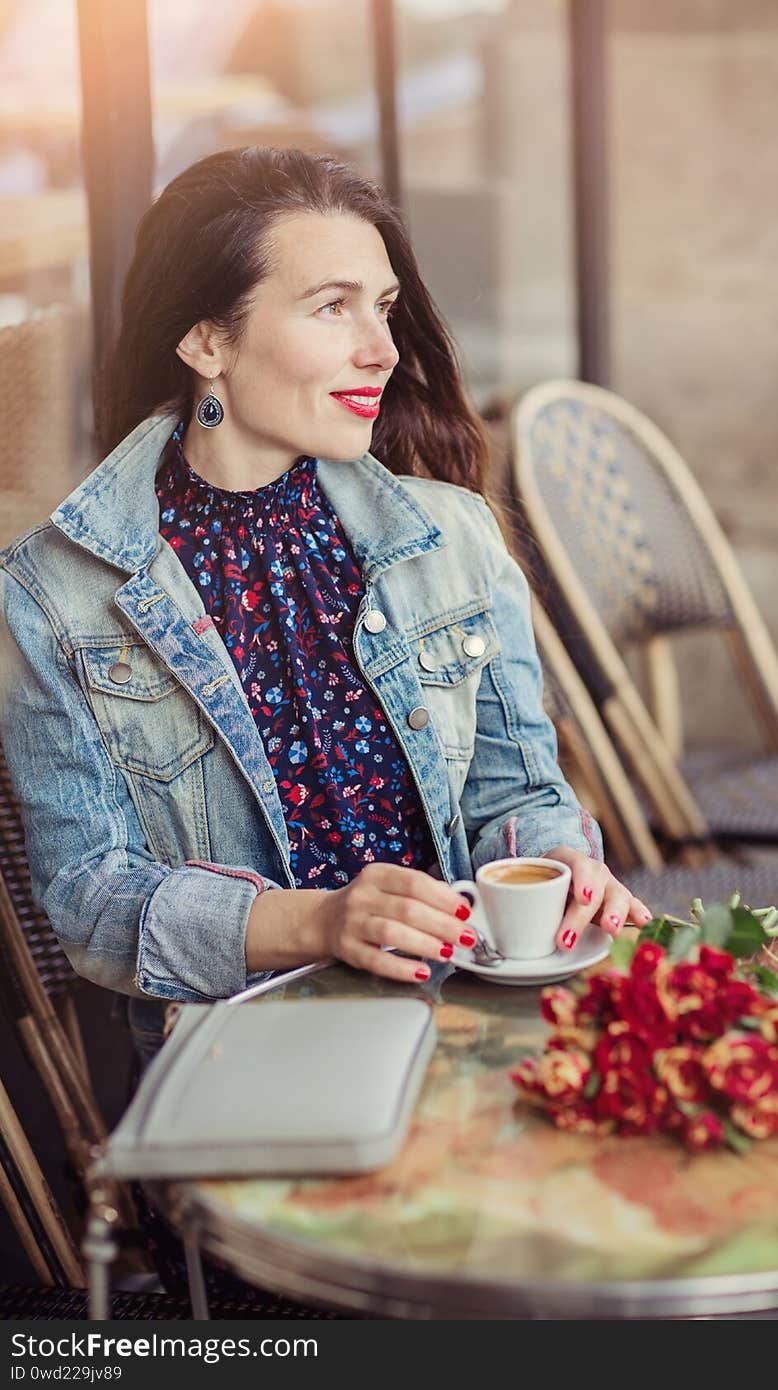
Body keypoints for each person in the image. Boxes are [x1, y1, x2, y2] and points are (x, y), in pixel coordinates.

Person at [0, 147, 650, 1064]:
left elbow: (517, 791)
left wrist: (559, 866)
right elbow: (91, 903)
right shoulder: (53, 594)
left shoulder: (455, 538)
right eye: (331, 306)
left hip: (468, 1031)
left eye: (382, 307)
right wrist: (320, 923)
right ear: (206, 341)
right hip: (241, 1060)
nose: (382, 348)